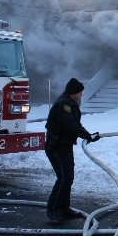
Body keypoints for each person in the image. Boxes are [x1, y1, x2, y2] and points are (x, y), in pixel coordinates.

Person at [44, 78, 100, 223]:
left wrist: (88, 135)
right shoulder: (63, 105)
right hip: (57, 146)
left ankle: (64, 208)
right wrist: (87, 136)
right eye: (80, 92)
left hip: (64, 145)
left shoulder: (68, 103)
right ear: (73, 92)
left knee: (68, 177)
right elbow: (70, 125)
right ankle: (53, 209)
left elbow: (75, 124)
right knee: (64, 178)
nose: (81, 95)